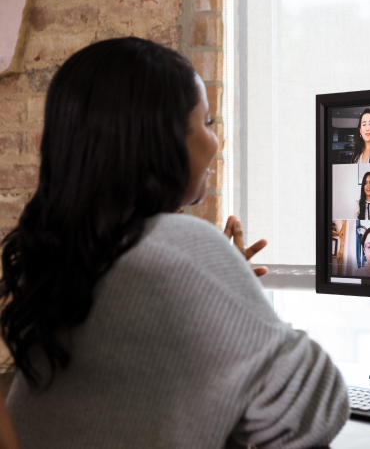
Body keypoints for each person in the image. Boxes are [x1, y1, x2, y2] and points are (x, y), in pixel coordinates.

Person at [0, 38, 348, 449]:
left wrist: (220, 288)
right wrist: (229, 284)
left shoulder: (65, 250)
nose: (215, 143)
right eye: (207, 122)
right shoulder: (177, 244)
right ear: (162, 140)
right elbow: (314, 409)